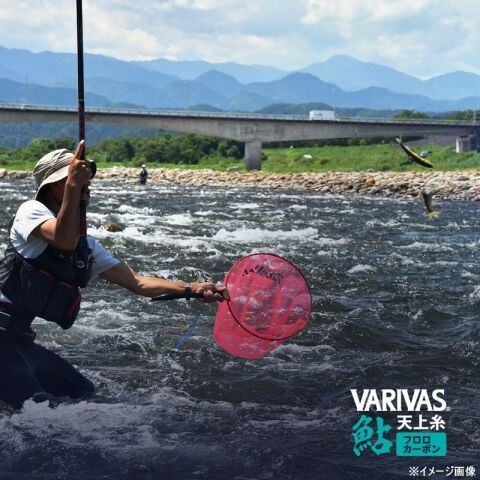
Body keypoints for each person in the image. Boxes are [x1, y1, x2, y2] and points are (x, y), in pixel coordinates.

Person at [0, 141, 225, 408]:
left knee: (83, 394)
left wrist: (191, 289)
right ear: (54, 186)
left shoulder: (86, 247)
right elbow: (62, 238)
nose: (86, 186)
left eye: (85, 181)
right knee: (36, 411)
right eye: (73, 179)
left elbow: (137, 282)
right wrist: (74, 186)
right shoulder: (30, 211)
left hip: (17, 340)